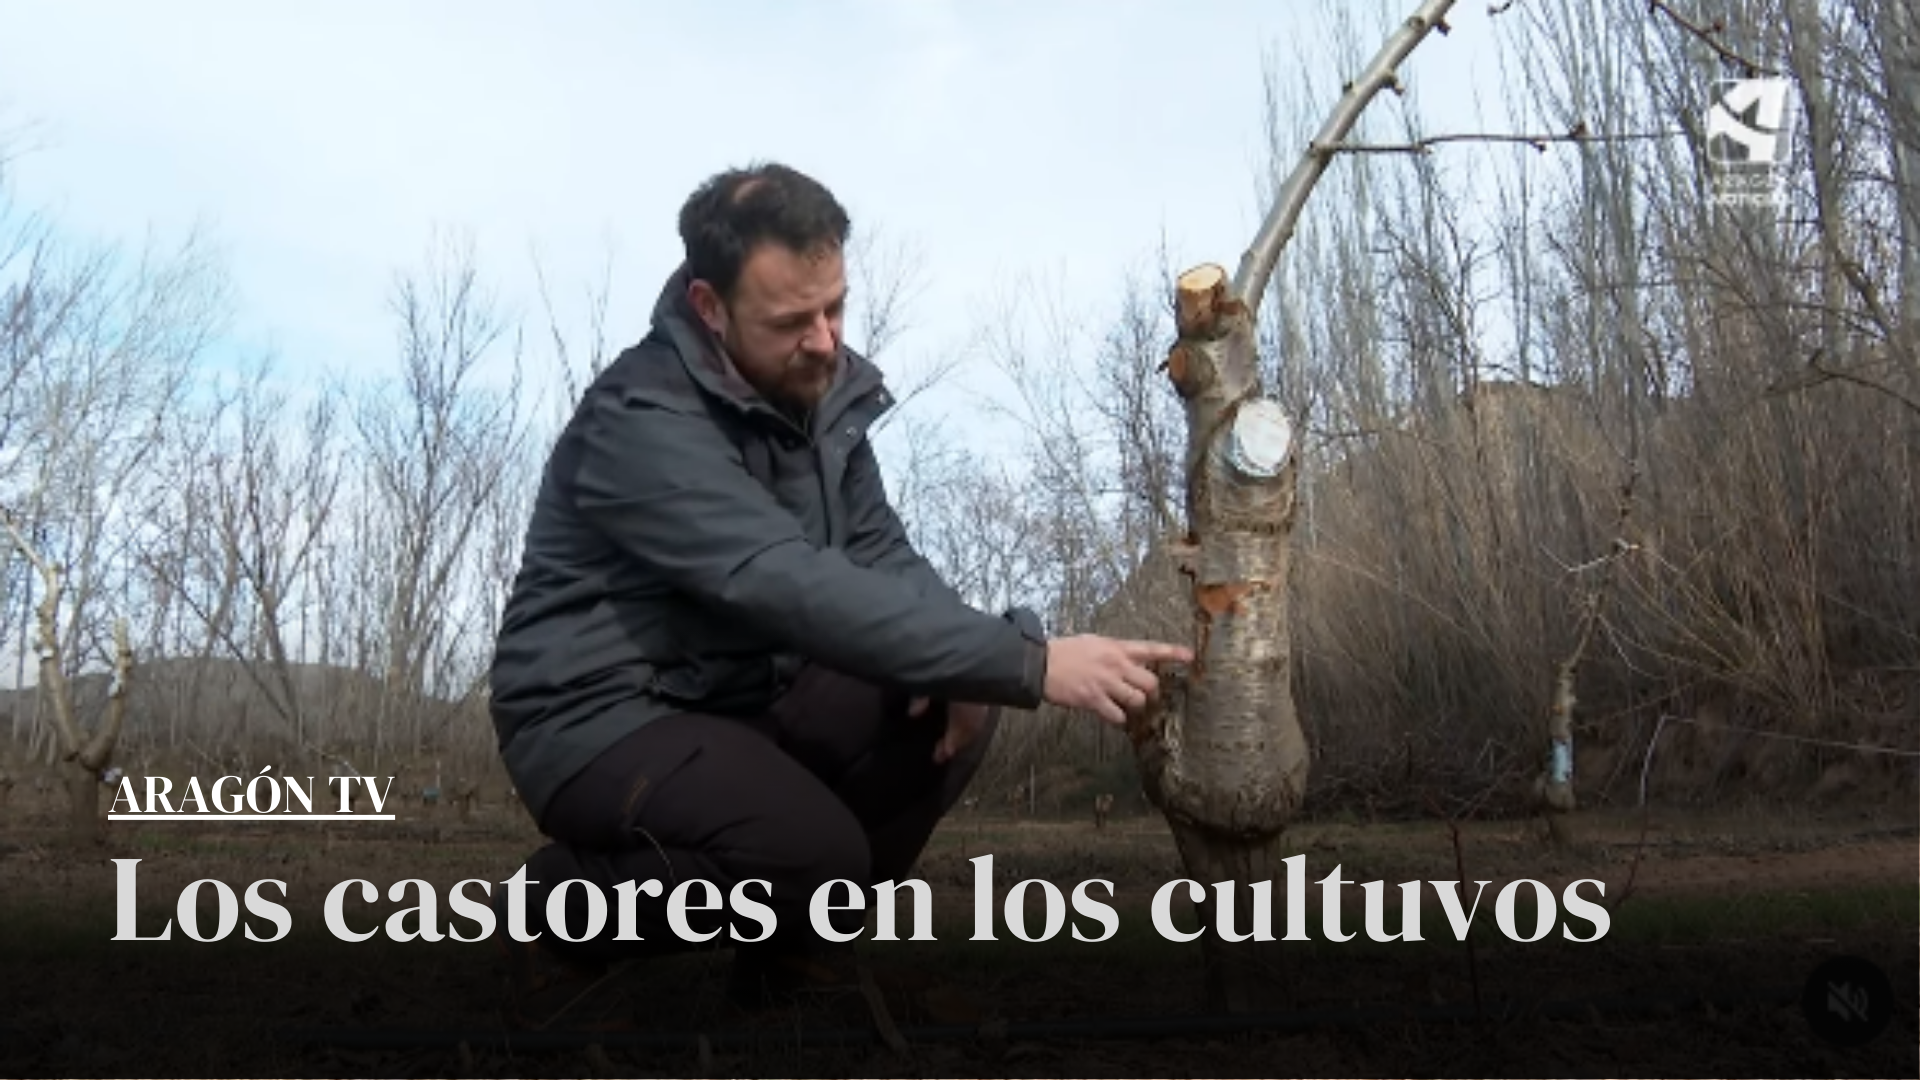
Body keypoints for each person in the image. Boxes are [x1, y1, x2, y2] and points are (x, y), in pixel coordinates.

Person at [488, 161, 1191, 1018]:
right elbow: (786, 584)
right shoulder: (640, 420)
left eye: (835, 308)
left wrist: (980, 661)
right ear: (709, 308)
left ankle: (791, 956)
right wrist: (1028, 662)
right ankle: (557, 913)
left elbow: (880, 555)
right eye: (792, 320)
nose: (825, 340)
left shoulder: (817, 400)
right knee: (814, 856)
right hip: (596, 715)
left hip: (735, 696)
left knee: (948, 706)